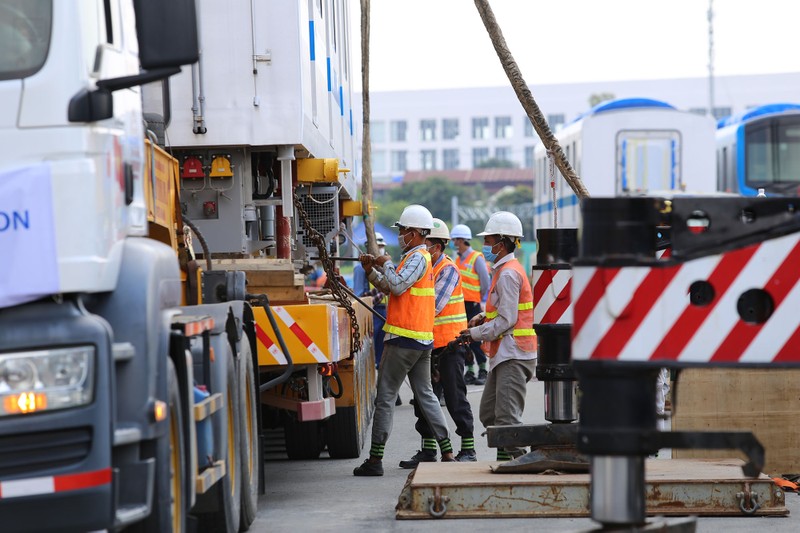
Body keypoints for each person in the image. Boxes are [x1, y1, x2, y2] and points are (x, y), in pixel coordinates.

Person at [353, 205, 455, 476]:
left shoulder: (417, 258)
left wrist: (384, 262)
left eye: (403, 231)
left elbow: (396, 284)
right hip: (420, 340)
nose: (400, 235)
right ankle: (447, 451)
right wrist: (370, 271)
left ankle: (375, 460)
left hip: (404, 339)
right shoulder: (415, 257)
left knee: (385, 397)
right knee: (426, 395)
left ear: (415, 232)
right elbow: (389, 287)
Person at [459, 212, 537, 461]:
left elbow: (507, 320)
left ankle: (518, 465)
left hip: (514, 353)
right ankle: (509, 462)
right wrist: (483, 316)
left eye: (489, 240)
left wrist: (474, 334)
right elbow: (502, 310)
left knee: (505, 418)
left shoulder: (507, 274)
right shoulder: (503, 270)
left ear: (502, 244)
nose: (486, 246)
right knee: (490, 414)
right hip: (506, 353)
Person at [400, 219, 477, 468]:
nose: (424, 250)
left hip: (450, 345)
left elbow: (433, 307)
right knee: (425, 399)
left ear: (438, 246)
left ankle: (468, 447)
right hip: (429, 344)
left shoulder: (447, 270)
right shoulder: (428, 269)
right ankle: (428, 449)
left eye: (427, 245)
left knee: (455, 397)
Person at [352, 233, 400, 405]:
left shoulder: (390, 266)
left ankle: (392, 392)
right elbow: (360, 296)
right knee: (374, 354)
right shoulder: (361, 269)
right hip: (372, 313)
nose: (379, 248)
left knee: (386, 354)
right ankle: (379, 390)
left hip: (388, 313)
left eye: (381, 245)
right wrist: (380, 292)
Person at [451, 224, 491, 385]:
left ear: (461, 240)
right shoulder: (458, 260)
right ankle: (470, 371)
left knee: (474, 340)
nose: (454, 243)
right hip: (461, 305)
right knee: (464, 338)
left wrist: (480, 299)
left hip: (473, 305)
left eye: (455, 240)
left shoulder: (476, 258)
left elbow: (485, 283)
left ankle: (482, 369)